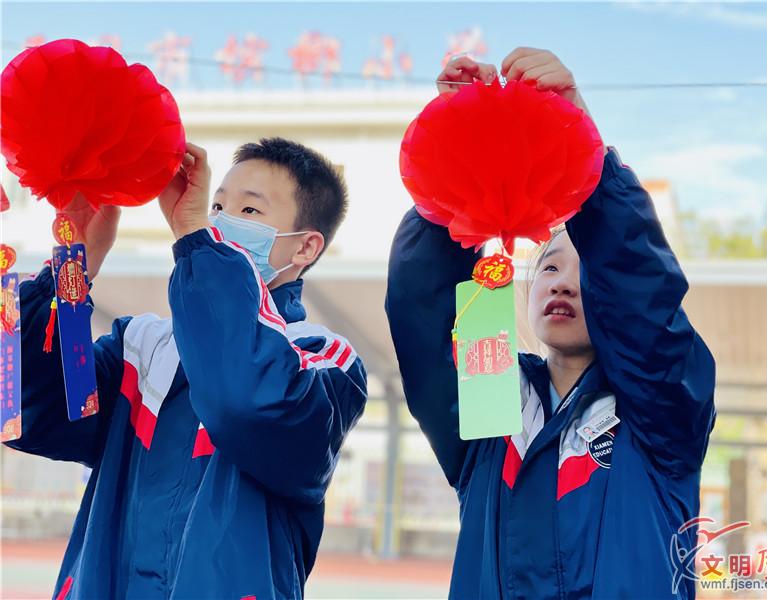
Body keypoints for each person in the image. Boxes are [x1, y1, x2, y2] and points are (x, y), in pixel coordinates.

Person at [385, 48, 716, 599]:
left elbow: (646, 302)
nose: (563, 283)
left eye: (586, 272)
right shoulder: (488, 401)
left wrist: (581, 143)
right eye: (550, 267)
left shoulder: (662, 418)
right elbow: (421, 316)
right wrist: (459, 158)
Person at [7, 137, 367, 599]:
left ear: (305, 248)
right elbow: (22, 409)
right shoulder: (140, 346)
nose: (216, 221)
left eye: (249, 210)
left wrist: (198, 242)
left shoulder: (324, 360)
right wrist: (74, 264)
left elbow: (243, 400)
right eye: (215, 205)